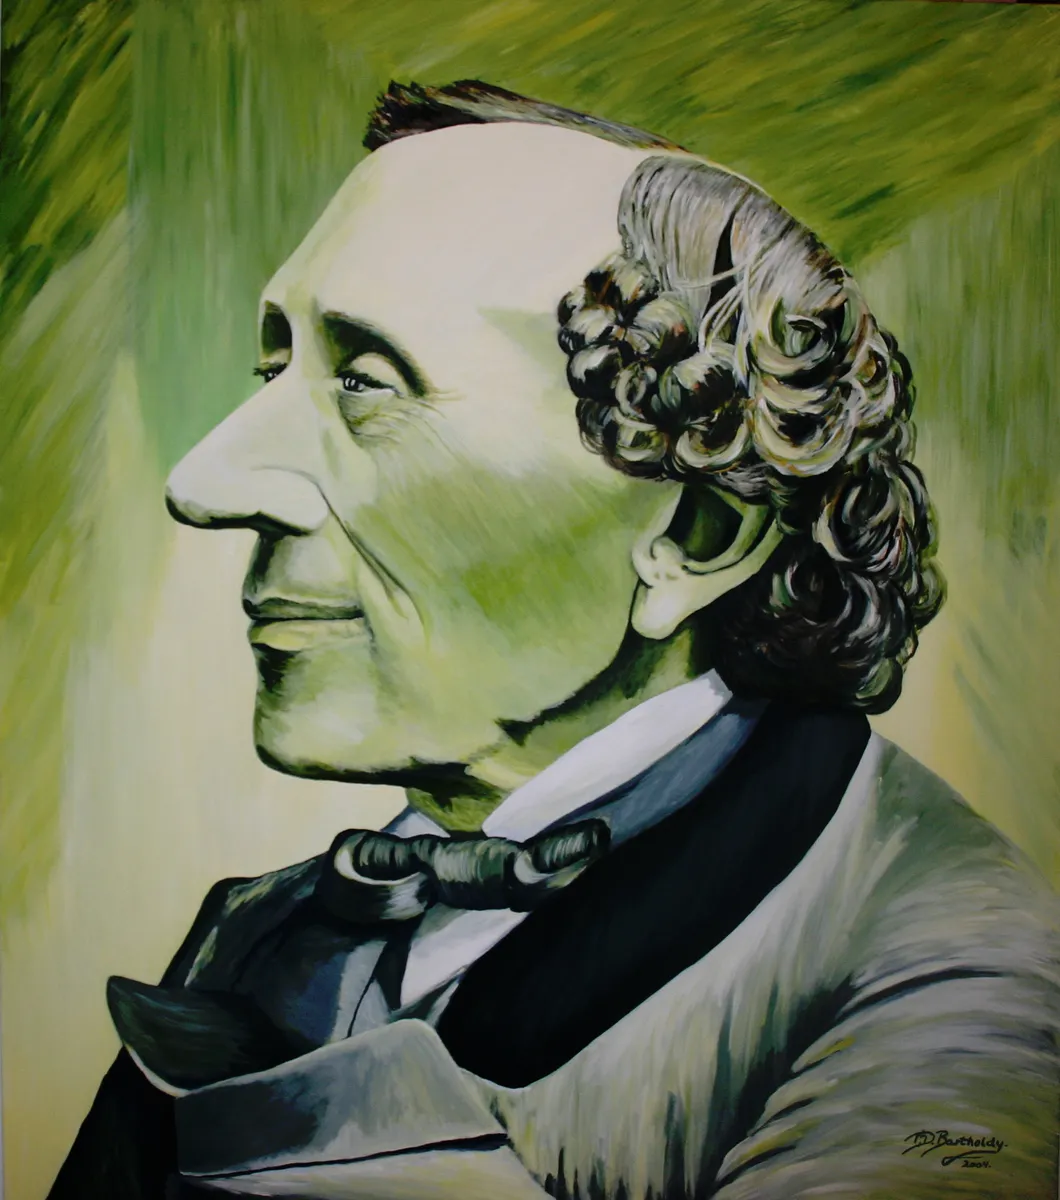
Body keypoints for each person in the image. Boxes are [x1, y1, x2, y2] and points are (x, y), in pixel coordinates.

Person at [50, 81, 1059, 1199]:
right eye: (273, 371)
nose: (206, 481)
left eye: (367, 386)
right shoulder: (263, 931)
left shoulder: (950, 981)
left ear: (693, 534)